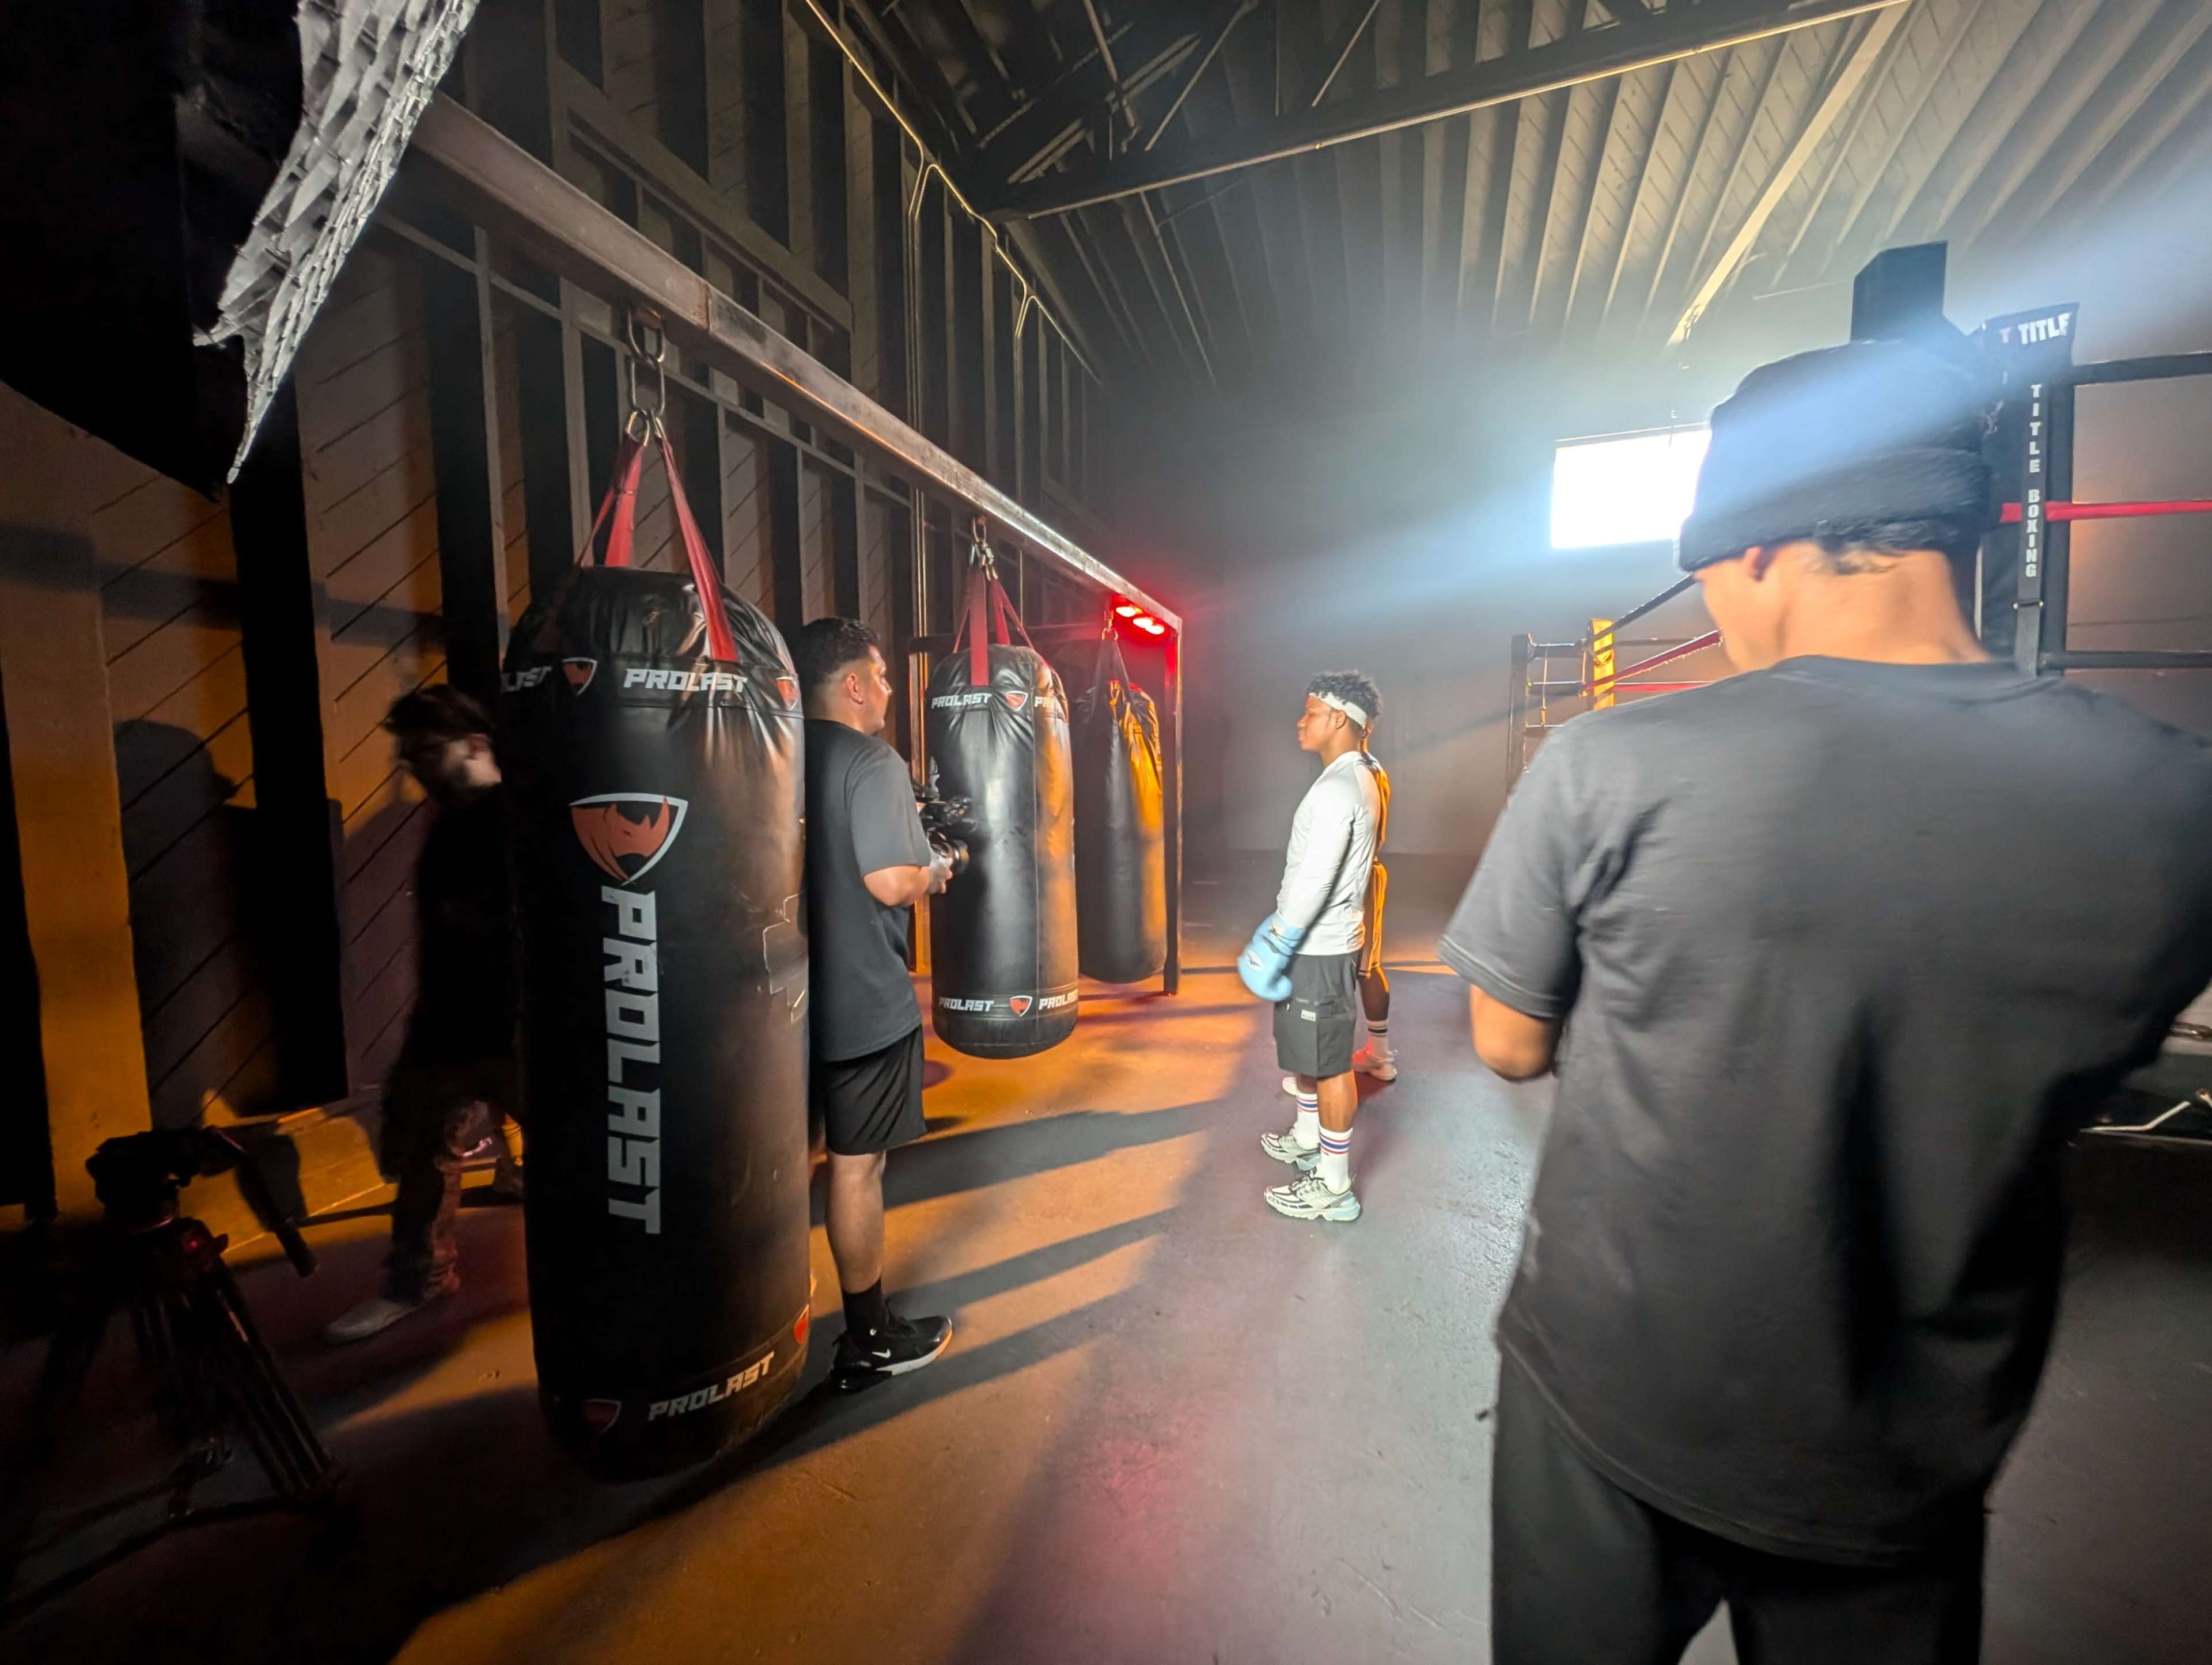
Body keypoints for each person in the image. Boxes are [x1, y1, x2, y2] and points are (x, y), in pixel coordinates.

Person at [1441, 340, 2212, 1664]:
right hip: (1904, 1457)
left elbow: (1506, 1041)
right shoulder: (2169, 805)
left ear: (1755, 549)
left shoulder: (1609, 761)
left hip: (1613, 1400)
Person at [327, 686, 521, 1344]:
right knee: (421, 1155)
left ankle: (609, 1276)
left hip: (518, 1025)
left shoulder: (523, 816)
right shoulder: (449, 821)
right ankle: (419, 1280)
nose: (412, 765)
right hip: (447, 1024)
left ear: (476, 744)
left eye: (424, 751)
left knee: (579, 1160)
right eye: (407, 754)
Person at [794, 617, 956, 1384]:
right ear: (852, 683)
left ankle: (765, 1323)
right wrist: (936, 869)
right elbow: (891, 879)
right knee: (856, 1171)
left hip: (786, 1013)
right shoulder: (873, 760)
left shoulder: (777, 755)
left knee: (793, 1164)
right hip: (863, 1004)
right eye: (883, 673)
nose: (890, 687)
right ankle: (869, 1337)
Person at [1240, 671, 1383, 1223]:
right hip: (1320, 944)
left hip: (1318, 947)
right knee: (1308, 1051)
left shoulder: (1338, 789)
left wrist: (1276, 938)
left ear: (1339, 719)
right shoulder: (1358, 775)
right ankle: (1307, 1134)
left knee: (1329, 1066)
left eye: (1311, 713)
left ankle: (1334, 1187)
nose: (1301, 722)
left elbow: (1317, 880)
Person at [1283, 735, 1395, 1095]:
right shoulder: (1364, 770)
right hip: (1359, 878)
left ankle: (1351, 1066)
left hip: (1358, 881)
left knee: (1358, 967)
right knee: (1362, 966)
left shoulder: (1362, 773)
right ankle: (1368, 1058)